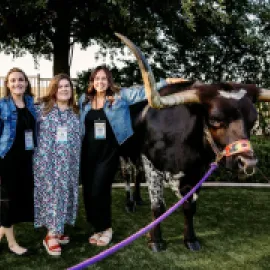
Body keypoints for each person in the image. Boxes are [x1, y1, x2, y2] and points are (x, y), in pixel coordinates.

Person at [79, 65, 185, 246]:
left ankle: (106, 228)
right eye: (97, 79)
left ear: (109, 81)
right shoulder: (84, 100)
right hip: (87, 153)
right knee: (89, 193)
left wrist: (167, 82)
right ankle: (96, 227)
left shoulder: (120, 97)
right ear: (92, 81)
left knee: (100, 191)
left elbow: (143, 91)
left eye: (104, 78)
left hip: (109, 152)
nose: (100, 82)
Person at [33, 73, 81, 256]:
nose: (64, 89)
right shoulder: (41, 109)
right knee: (52, 195)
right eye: (60, 86)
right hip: (47, 163)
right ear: (54, 89)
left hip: (69, 163)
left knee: (65, 193)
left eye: (67, 86)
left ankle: (58, 228)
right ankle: (50, 235)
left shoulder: (76, 111)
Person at [0, 67, 37, 255]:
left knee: (18, 199)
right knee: (8, 201)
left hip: (26, 160)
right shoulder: (2, 105)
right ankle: (12, 244)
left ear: (26, 82)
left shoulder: (30, 103)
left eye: (21, 80)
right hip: (7, 161)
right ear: (8, 84)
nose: (17, 83)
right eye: (13, 80)